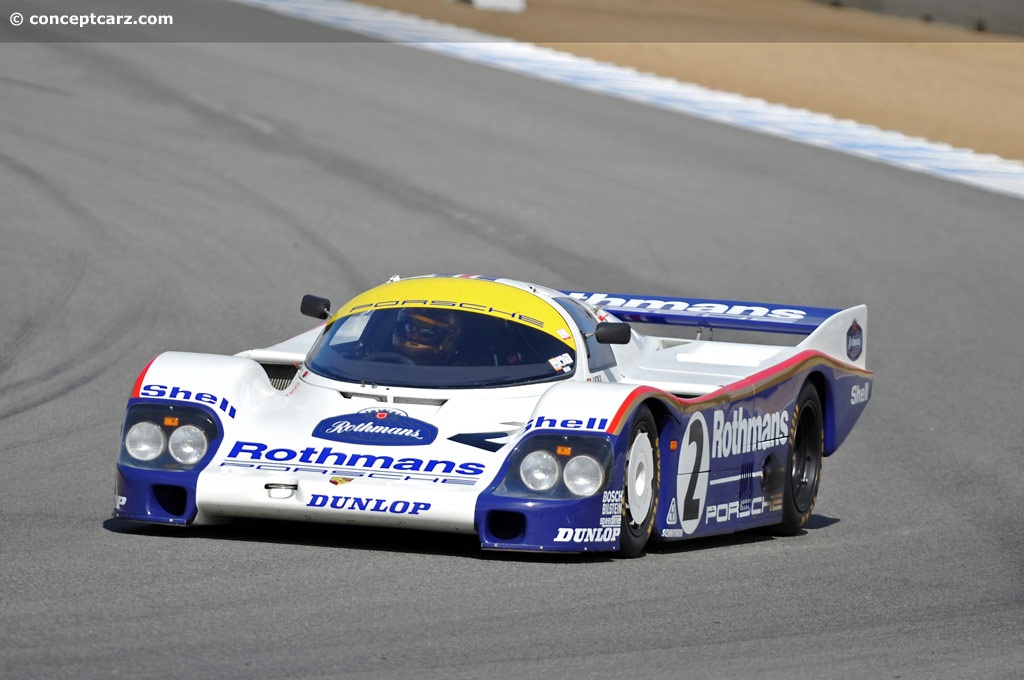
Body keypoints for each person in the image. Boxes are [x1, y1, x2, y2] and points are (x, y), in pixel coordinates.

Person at [391, 308, 462, 365]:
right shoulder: (384, 362)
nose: (415, 336)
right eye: (410, 328)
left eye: (426, 332)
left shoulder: (457, 371)